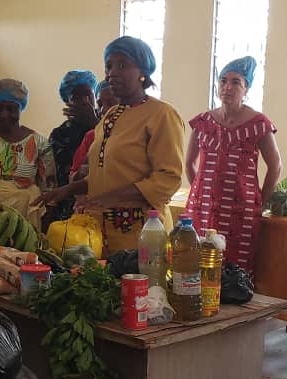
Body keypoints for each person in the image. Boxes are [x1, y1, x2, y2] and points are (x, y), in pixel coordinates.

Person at [34, 36, 184, 254]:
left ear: (143, 71)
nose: (112, 72)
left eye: (122, 65)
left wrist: (110, 198)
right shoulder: (111, 115)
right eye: (109, 66)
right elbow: (103, 174)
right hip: (98, 231)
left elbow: (168, 178)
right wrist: (65, 190)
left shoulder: (162, 115)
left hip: (140, 233)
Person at [184, 56, 283, 273]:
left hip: (242, 212)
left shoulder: (259, 124)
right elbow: (189, 163)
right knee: (199, 267)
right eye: (223, 81)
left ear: (247, 89)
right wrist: (200, 193)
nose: (227, 87)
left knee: (235, 272)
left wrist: (259, 201)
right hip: (203, 211)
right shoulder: (201, 122)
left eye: (236, 82)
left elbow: (275, 167)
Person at [0, 79, 56, 228]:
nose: (3, 115)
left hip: (25, 221)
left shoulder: (39, 144)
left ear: (21, 108)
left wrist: (44, 229)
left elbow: (50, 189)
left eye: (10, 109)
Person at [48, 70, 100, 224]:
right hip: (67, 209)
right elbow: (59, 177)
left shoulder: (106, 124)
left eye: (88, 95)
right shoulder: (59, 135)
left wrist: (93, 123)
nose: (84, 101)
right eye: (76, 97)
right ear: (67, 102)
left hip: (102, 204)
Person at [69, 80, 118, 182]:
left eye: (111, 103)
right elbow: (73, 177)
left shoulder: (136, 133)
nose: (103, 109)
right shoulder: (91, 137)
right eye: (100, 104)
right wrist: (80, 173)